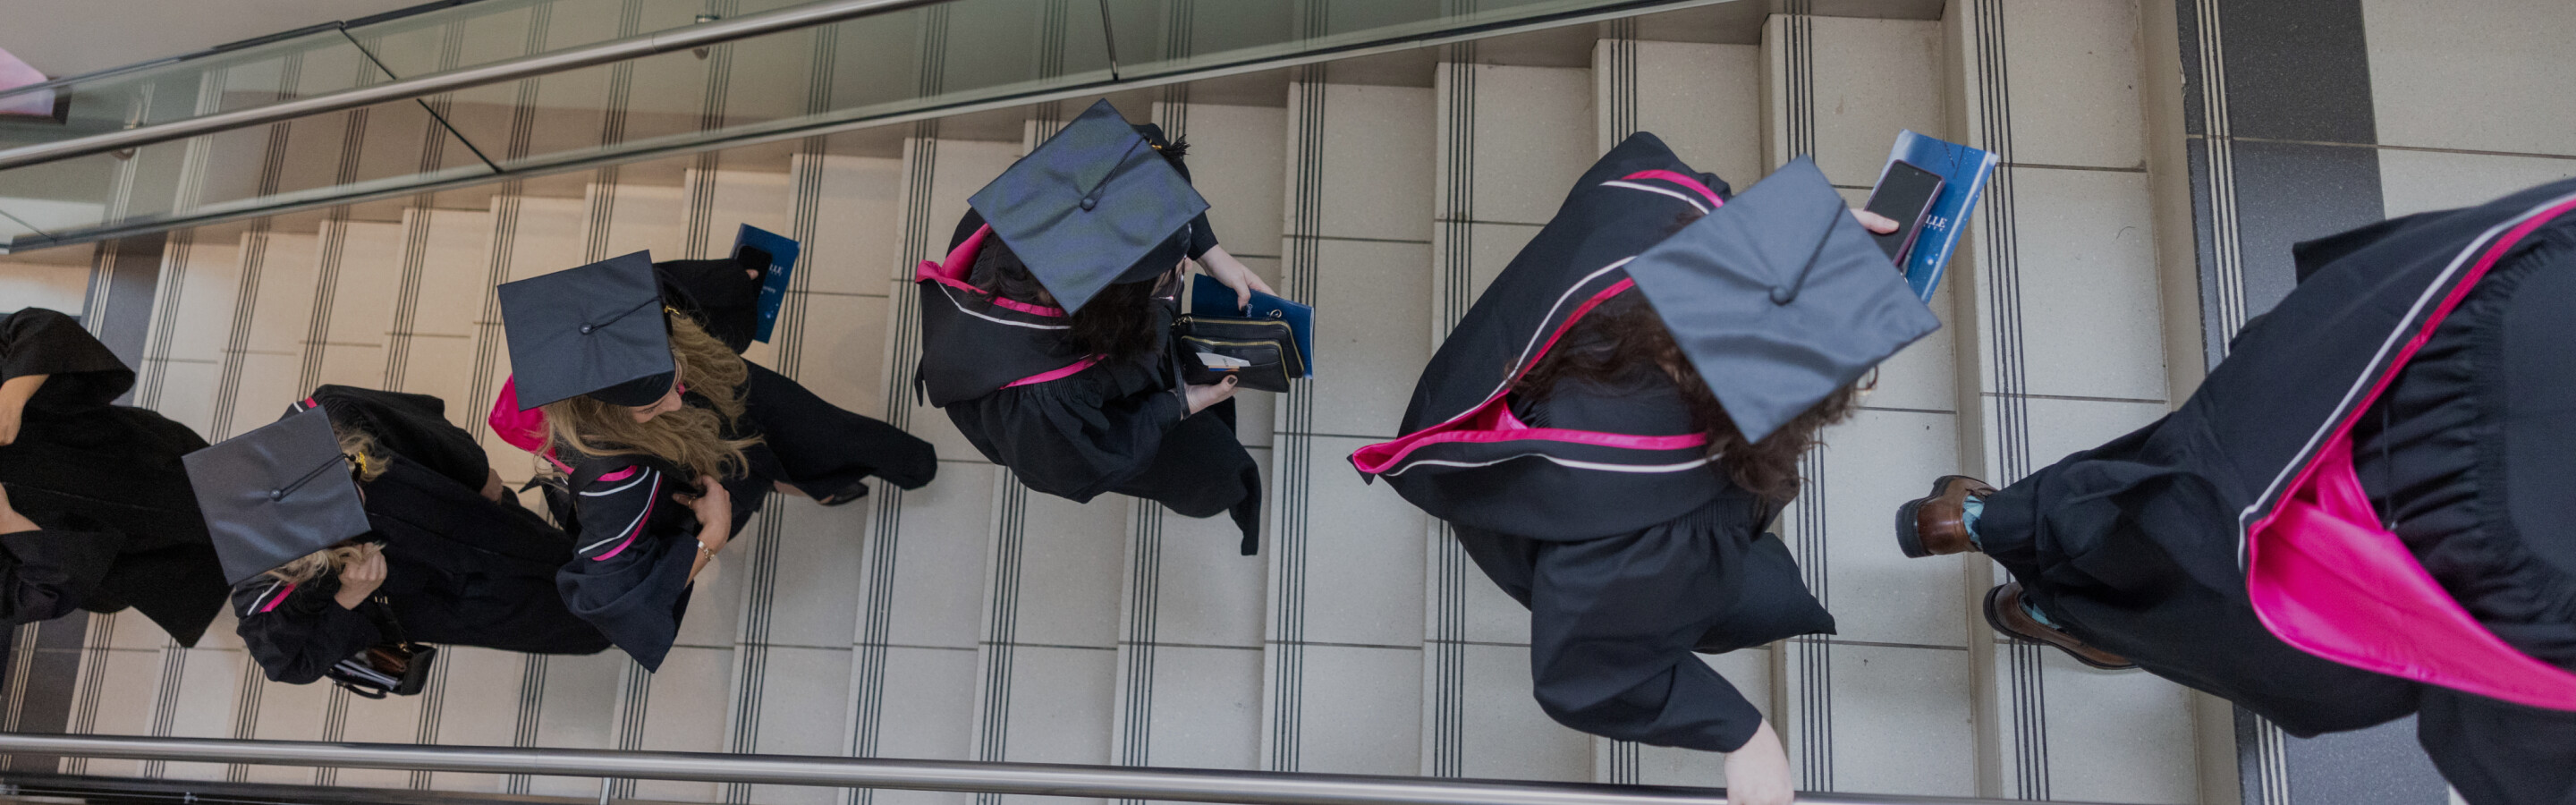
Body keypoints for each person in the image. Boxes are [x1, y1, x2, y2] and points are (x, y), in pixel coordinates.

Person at [1894, 180, 2576, 805]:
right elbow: (2504, 742)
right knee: (2233, 612)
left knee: (2197, 472)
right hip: (2462, 566)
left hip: (2460, 348)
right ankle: (2055, 611)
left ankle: (1977, 519)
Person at [1351, 135, 1938, 805]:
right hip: (1549, 517)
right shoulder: (1664, 511)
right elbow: (1587, 673)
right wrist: (1744, 732)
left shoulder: (1642, 228)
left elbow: (1641, 186)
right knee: (1736, 598)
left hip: (1478, 397)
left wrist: (1782, 241)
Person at [491, 249, 936, 670]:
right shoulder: (614, 481)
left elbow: (668, 285)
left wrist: (731, 283)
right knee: (744, 477)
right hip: (690, 469)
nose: (674, 404)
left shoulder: (615, 311)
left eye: (672, 381)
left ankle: (831, 474)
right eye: (649, 406)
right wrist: (713, 535)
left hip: (726, 394)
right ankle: (792, 481)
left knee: (819, 432)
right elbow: (609, 598)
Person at [917, 99, 1269, 554]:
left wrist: (1211, 253)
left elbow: (1143, 148)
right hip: (1049, 413)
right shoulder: (1036, 402)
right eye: (1167, 271)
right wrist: (1179, 405)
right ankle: (1225, 493)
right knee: (1213, 468)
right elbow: (1070, 465)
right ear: (1117, 304)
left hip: (1102, 351)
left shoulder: (1034, 204)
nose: (1180, 268)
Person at [223, 387, 610, 685]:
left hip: (468, 519)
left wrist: (476, 473)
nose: (358, 496)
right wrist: (346, 600)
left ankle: (632, 588)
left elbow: (423, 426)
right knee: (580, 627)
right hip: (439, 598)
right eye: (341, 515)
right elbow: (291, 665)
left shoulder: (329, 416)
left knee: (565, 559)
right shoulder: (264, 584)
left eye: (350, 477)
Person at [0, 307, 227, 645]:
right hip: (122, 557)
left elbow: (39, 328)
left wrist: (11, 397)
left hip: (133, 456)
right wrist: (5, 520)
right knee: (221, 564)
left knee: (235, 489)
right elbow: (30, 596)